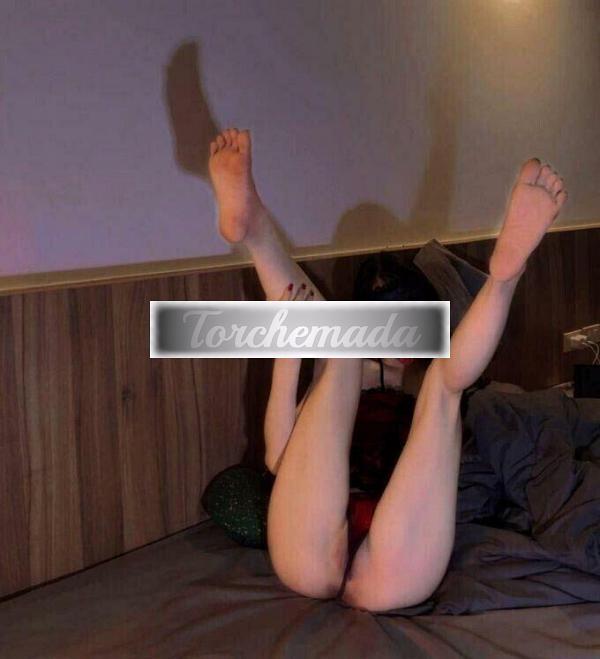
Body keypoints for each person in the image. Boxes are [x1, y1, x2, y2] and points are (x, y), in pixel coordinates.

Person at [206, 127, 567, 612]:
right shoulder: (343, 370)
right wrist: (291, 355)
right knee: (364, 357)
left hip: (380, 550)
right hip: (324, 538)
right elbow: (277, 458)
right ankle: (254, 230)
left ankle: (504, 276)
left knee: (441, 384)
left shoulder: (424, 374)